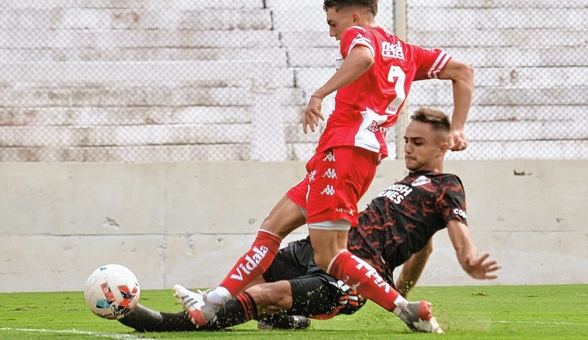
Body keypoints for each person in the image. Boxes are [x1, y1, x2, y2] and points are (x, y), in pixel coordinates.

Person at [174, 0, 475, 333]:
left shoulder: (358, 35)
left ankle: (407, 309)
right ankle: (213, 301)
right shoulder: (407, 52)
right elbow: (463, 72)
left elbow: (363, 57)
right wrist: (458, 128)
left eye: (334, 24)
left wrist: (319, 94)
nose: (333, 33)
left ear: (356, 17)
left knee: (329, 256)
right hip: (344, 154)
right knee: (272, 227)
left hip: (346, 151)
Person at [126, 108, 498, 333]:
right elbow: (424, 245)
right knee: (254, 274)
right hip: (322, 248)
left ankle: (169, 323)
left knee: (262, 295)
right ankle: (281, 318)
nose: (408, 147)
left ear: (444, 144)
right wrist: (403, 290)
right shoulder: (408, 181)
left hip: (352, 275)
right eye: (406, 139)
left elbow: (456, 235)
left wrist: (469, 259)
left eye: (418, 142)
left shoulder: (448, 187)